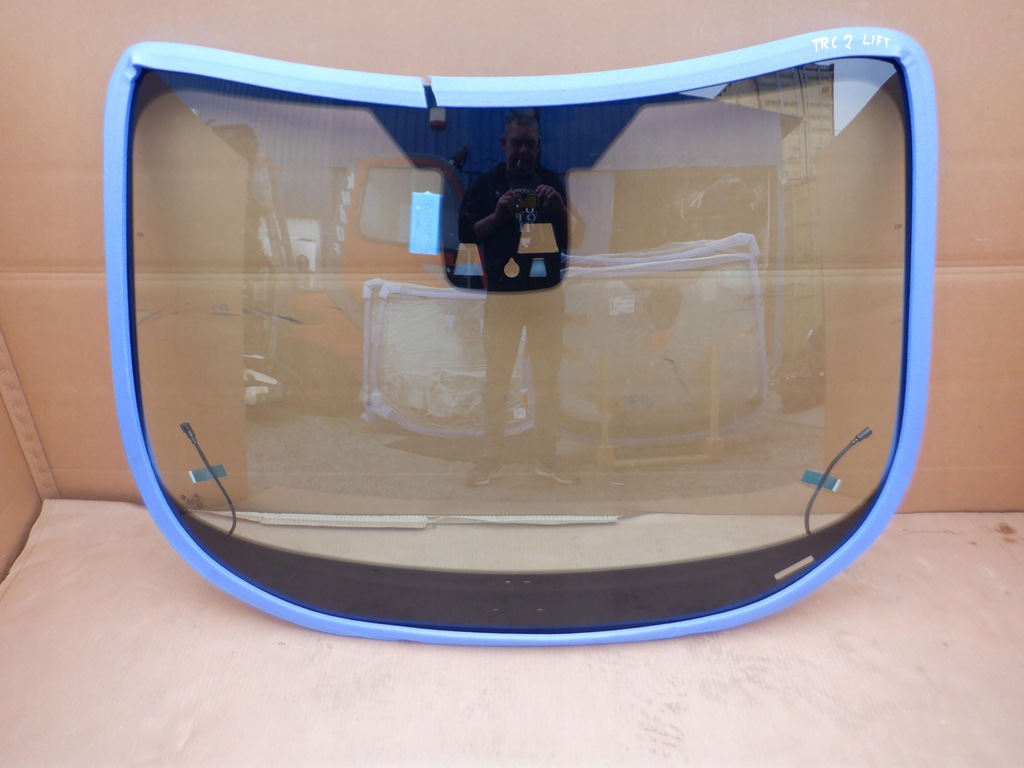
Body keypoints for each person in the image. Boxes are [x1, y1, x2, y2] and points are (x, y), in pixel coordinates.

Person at [458, 112, 575, 486]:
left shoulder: (552, 183)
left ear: (538, 146)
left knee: (548, 381)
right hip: (503, 300)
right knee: (497, 381)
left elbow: (578, 237)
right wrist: (498, 215)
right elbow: (466, 235)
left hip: (546, 299)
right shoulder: (486, 185)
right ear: (503, 144)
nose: (523, 150)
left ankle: (547, 458)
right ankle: (491, 458)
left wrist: (559, 210)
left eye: (530, 144)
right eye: (517, 143)